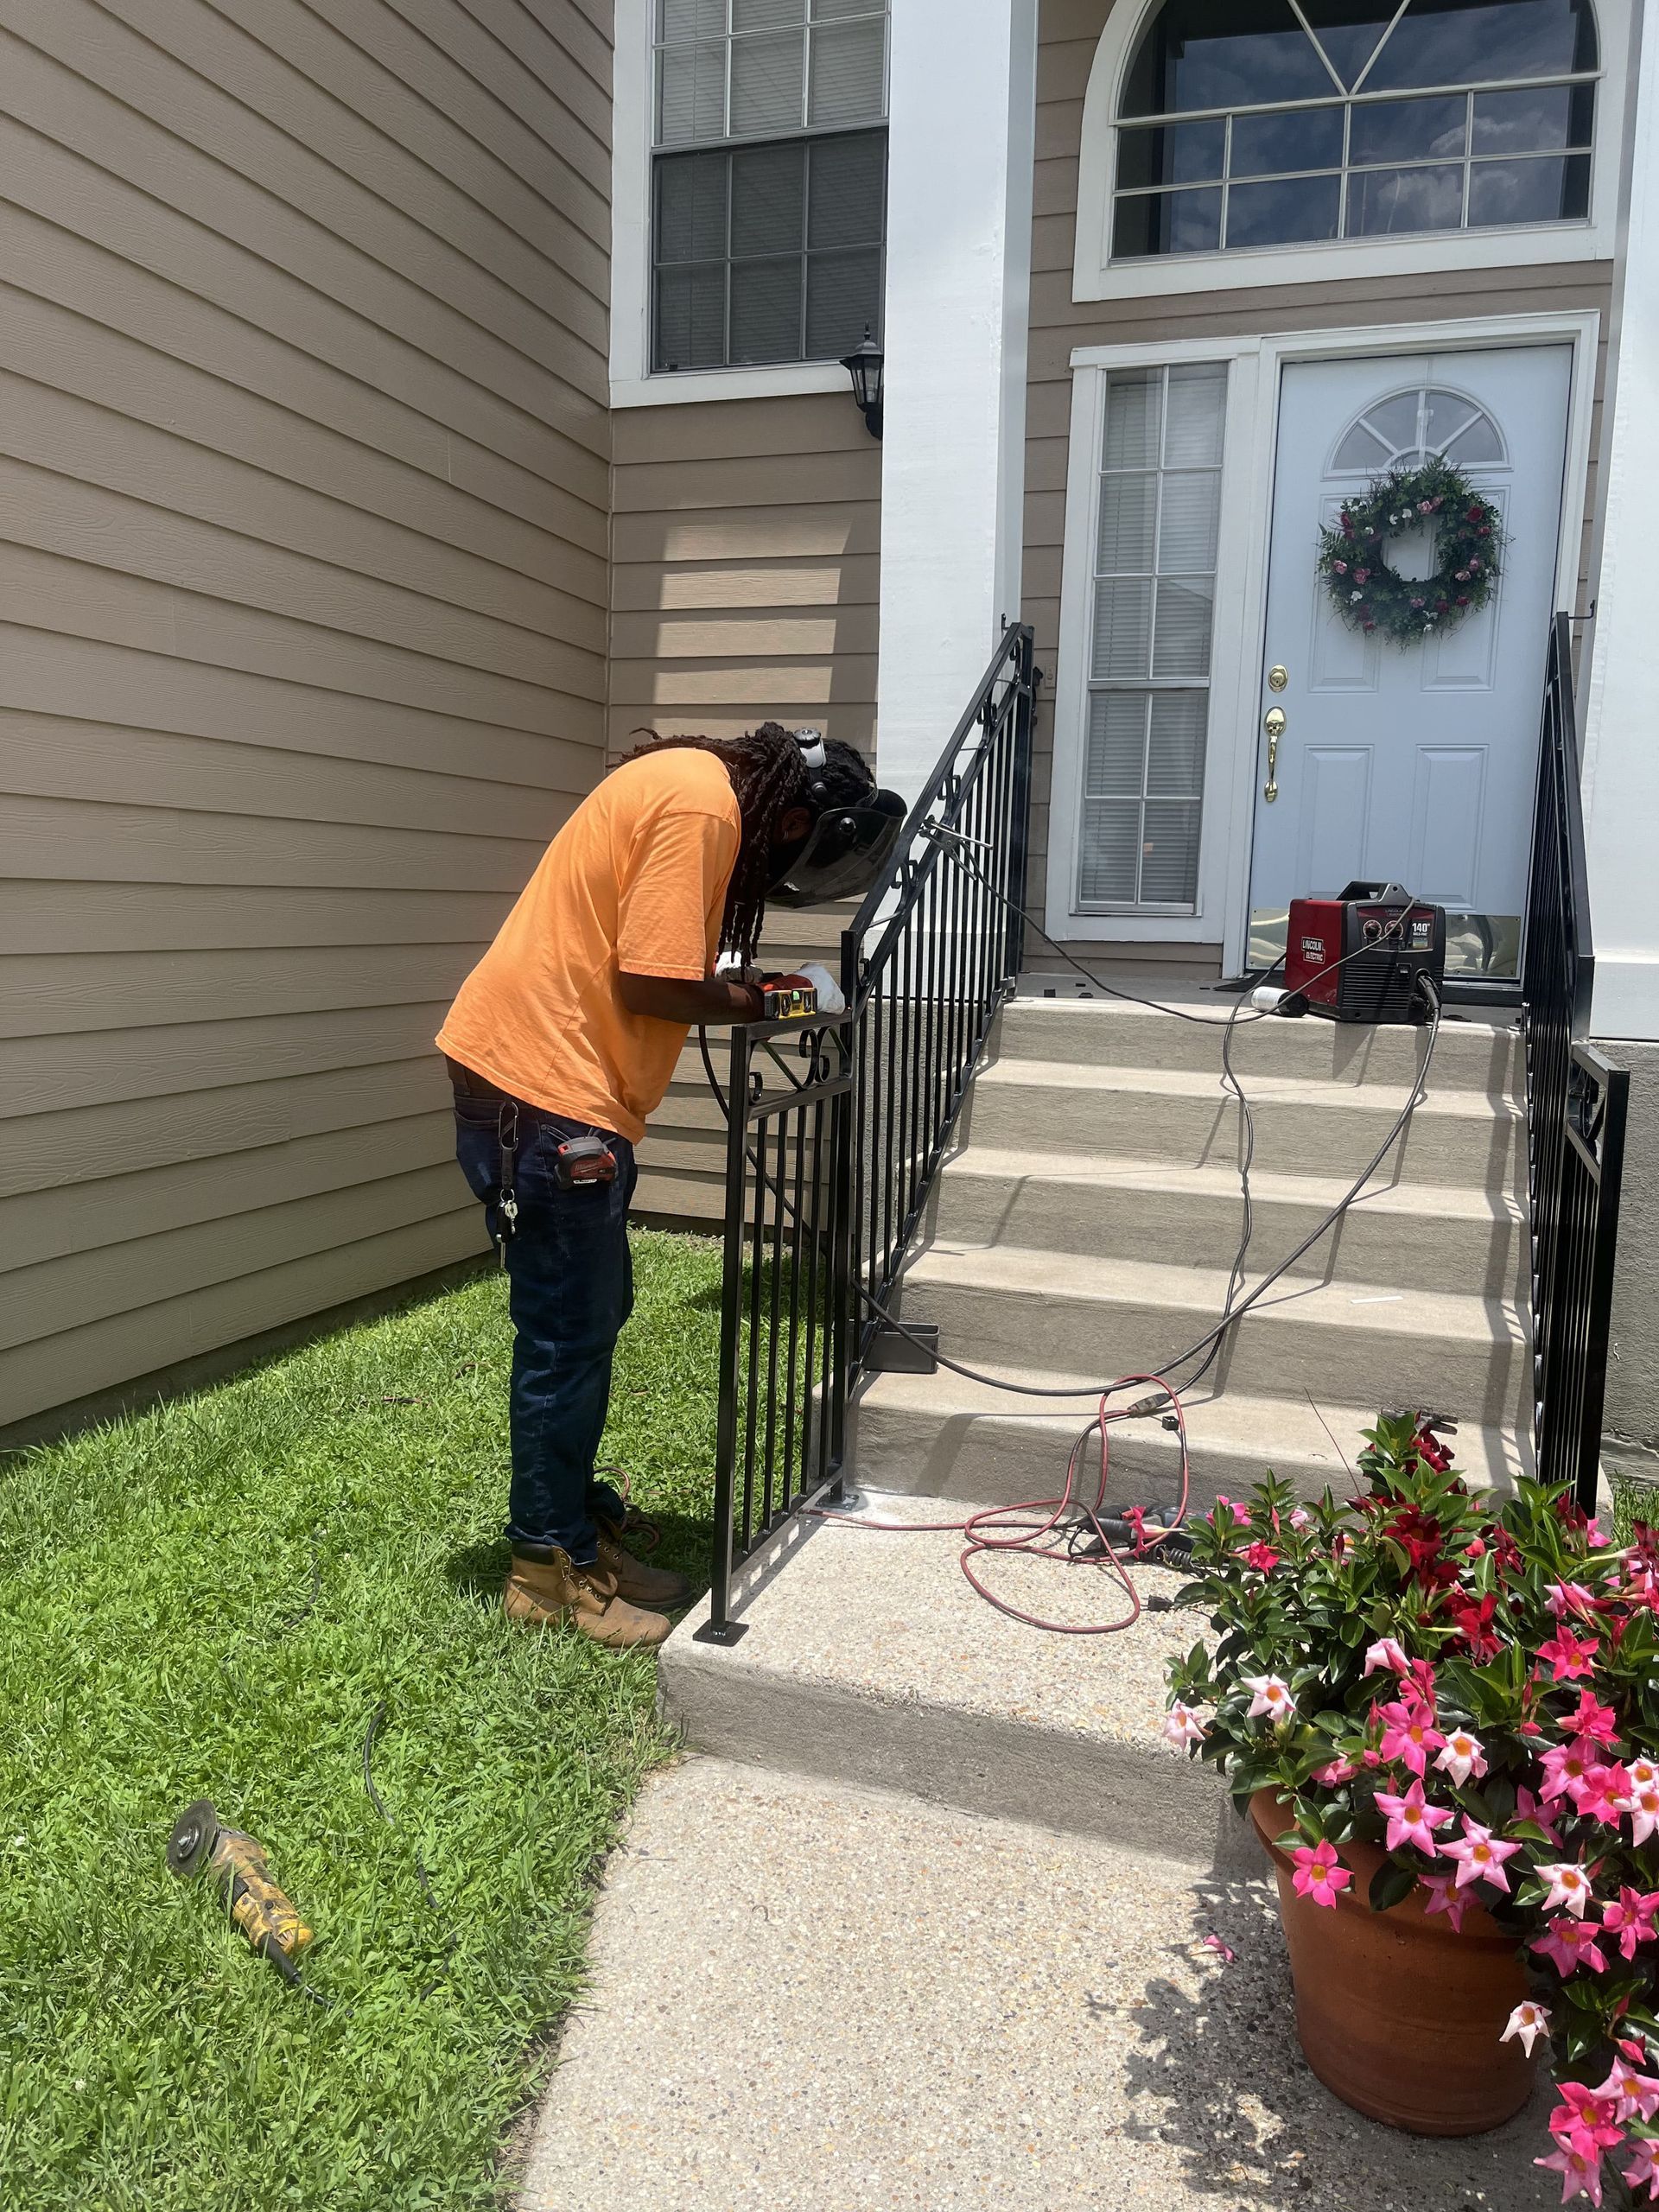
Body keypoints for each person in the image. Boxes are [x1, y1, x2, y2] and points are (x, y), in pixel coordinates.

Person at [436, 722, 902, 1650]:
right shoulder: (700, 804)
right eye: (798, 853)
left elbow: (664, 966)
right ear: (795, 813)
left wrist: (765, 988)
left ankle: (578, 1534)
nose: (780, 875)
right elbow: (653, 982)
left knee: (590, 1319)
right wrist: (790, 998)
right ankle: (546, 1567)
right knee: (567, 1335)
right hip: (543, 1092)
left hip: (551, 1087)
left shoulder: (694, 787)